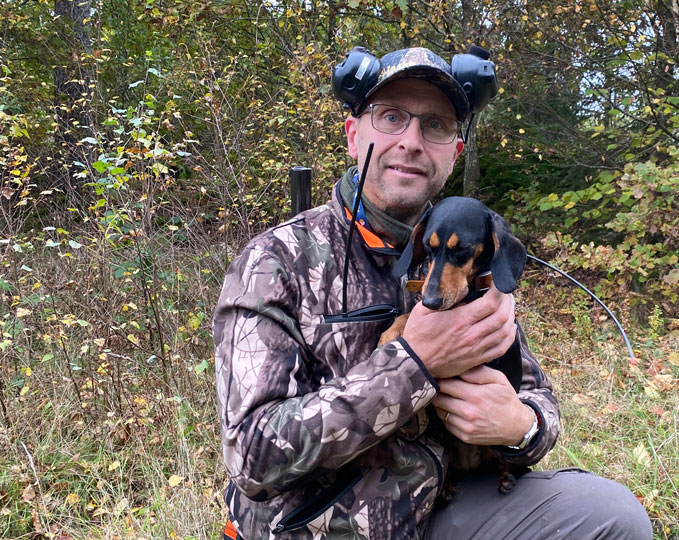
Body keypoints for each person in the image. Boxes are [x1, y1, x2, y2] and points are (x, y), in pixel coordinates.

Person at [214, 46, 653, 540]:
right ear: (354, 135)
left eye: (436, 125)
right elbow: (251, 455)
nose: (412, 141)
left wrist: (519, 427)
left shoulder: (471, 251)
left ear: (454, 153)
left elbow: (538, 398)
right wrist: (412, 363)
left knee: (612, 515)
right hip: (321, 526)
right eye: (392, 117)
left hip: (447, 507)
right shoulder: (276, 260)